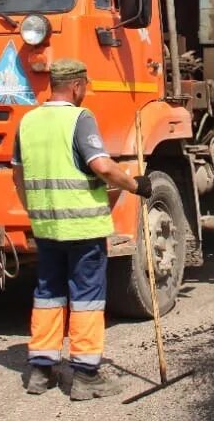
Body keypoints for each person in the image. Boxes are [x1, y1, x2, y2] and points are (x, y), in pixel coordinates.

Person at [13, 58, 151, 399]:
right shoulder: (79, 118)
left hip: (47, 226)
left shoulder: (28, 122)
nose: (85, 91)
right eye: (85, 85)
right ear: (76, 86)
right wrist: (136, 185)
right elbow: (101, 166)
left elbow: (17, 175)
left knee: (48, 294)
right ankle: (86, 375)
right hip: (83, 227)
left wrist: (34, 209)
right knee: (87, 297)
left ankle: (41, 370)